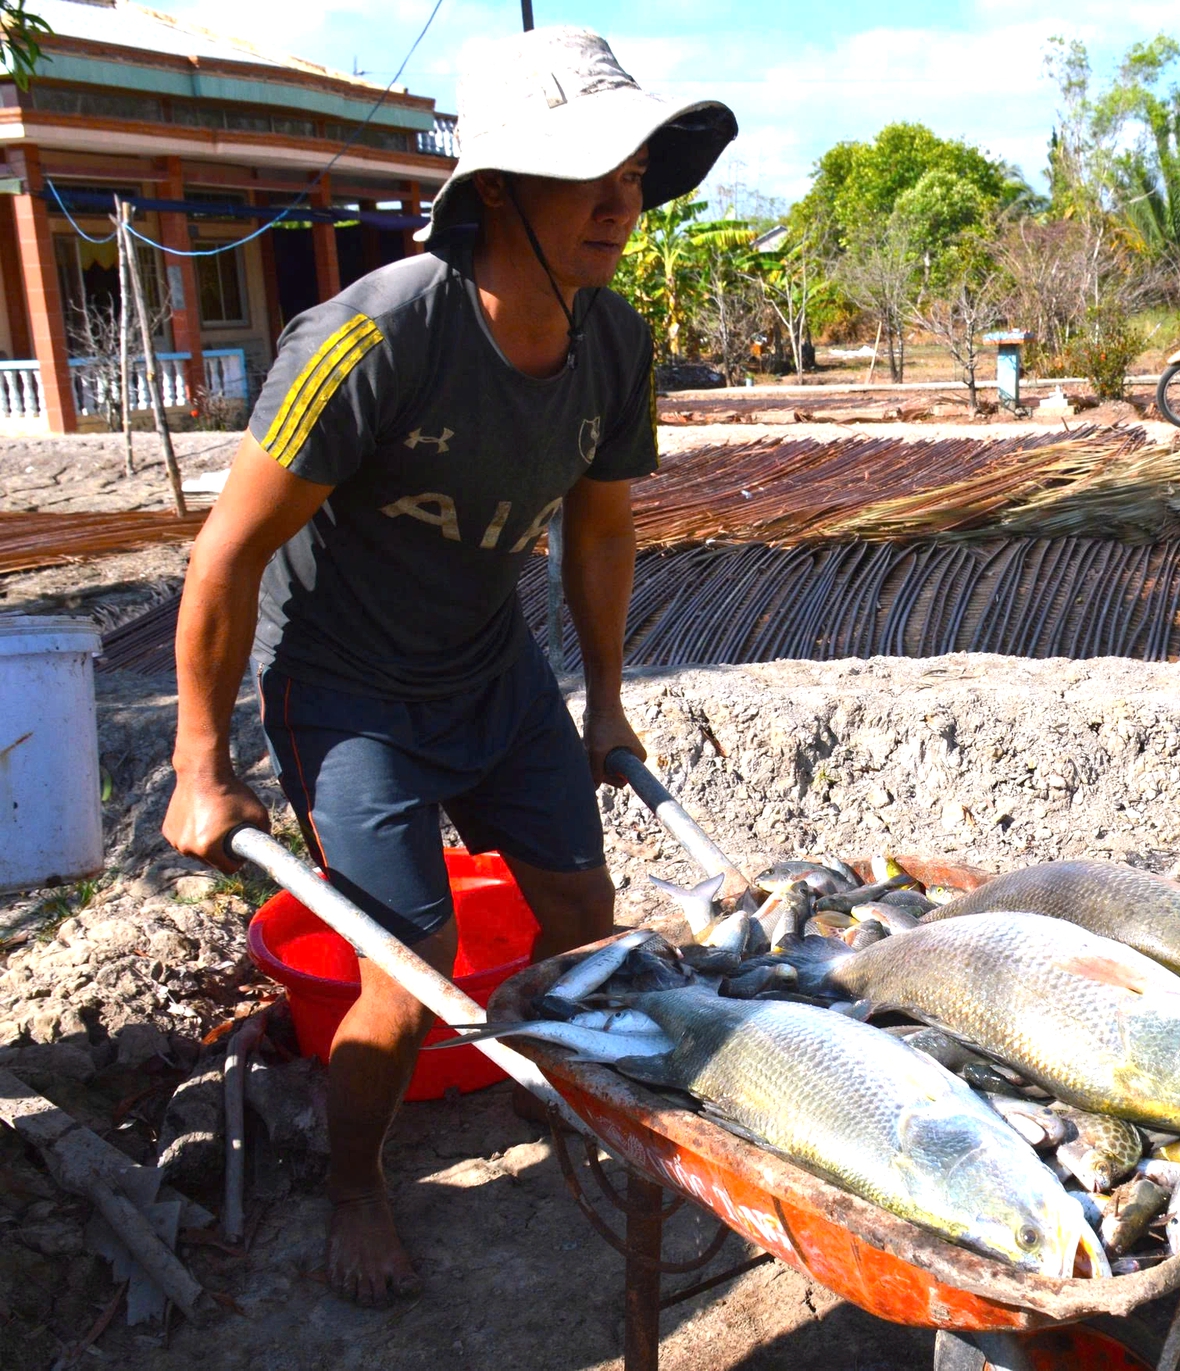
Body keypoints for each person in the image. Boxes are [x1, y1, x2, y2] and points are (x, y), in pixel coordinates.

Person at [162, 28, 735, 1306]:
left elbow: (599, 524)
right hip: (350, 688)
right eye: (589, 172)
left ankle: (584, 1097)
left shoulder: (611, 339)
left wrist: (603, 702)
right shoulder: (374, 339)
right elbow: (224, 559)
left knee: (586, 916)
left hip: (492, 669)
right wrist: (201, 762)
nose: (621, 201)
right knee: (406, 962)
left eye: (635, 172)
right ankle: (356, 1178)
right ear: (494, 194)